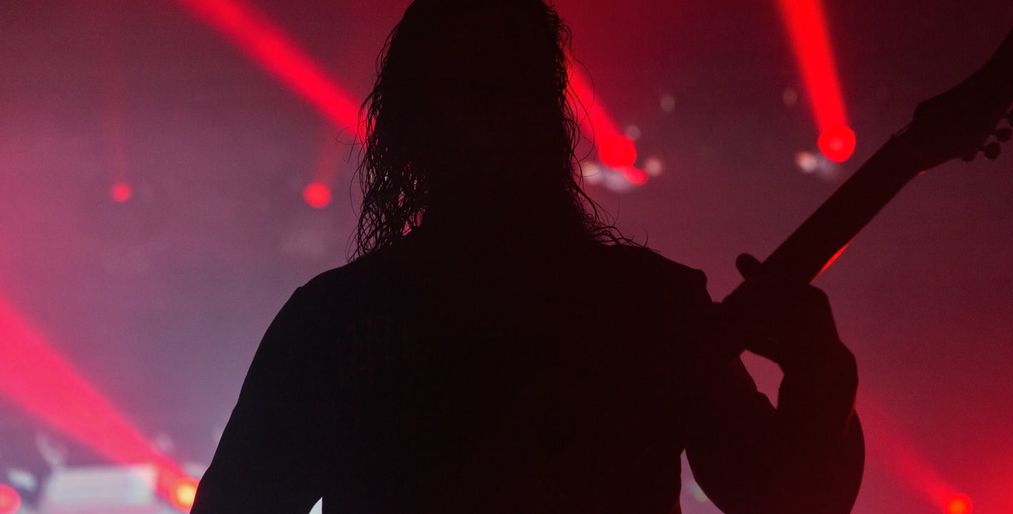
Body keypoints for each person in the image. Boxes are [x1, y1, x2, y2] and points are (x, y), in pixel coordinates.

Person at [191, 0, 863, 512]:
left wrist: (819, 377)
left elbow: (784, 498)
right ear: (420, 122)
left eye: (528, 90)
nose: (507, 120)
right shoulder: (334, 324)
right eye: (480, 92)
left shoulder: (651, 306)